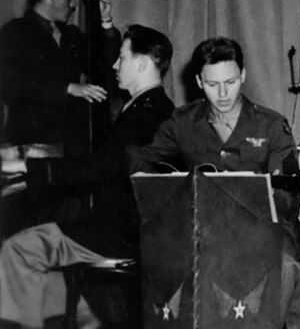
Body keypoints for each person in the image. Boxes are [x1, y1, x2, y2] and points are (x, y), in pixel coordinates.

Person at [0, 25, 175, 329]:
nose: (114, 65)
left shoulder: (146, 115)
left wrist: (27, 168)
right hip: (124, 229)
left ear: (143, 63)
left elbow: (98, 168)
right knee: (43, 248)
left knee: (18, 248)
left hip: (122, 235)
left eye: (121, 58)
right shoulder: (155, 108)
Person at [129, 37, 300, 321]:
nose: (223, 94)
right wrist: (166, 183)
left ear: (243, 76)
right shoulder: (183, 122)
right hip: (201, 230)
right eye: (212, 85)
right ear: (198, 81)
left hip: (261, 231)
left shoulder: (271, 125)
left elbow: (288, 196)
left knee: (284, 264)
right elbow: (142, 159)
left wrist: (266, 196)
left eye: (231, 82)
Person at [0, 0, 118, 154]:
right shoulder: (14, 33)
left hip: (69, 146)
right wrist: (68, 88)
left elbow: (106, 65)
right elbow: (11, 85)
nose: (73, 5)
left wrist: (105, 21)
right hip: (27, 146)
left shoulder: (71, 35)